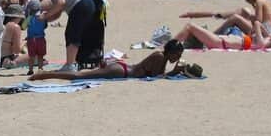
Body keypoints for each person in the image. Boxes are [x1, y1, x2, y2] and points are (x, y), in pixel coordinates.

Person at [31, 0, 101, 72]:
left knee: (72, 34)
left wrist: (45, 15)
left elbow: (61, 3)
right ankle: (72, 63)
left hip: (80, 5)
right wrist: (45, 19)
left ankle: (70, 65)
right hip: (88, 4)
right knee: (75, 34)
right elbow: (58, 13)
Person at [29, 41, 190, 80]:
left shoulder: (162, 58)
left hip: (123, 69)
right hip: (121, 71)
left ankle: (45, 74)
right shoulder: (159, 56)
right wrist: (174, 72)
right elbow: (155, 77)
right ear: (171, 52)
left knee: (82, 75)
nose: (178, 58)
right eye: (177, 54)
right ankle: (44, 75)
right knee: (80, 76)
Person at [170, 21, 271, 50]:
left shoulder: (262, 43)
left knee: (190, 26)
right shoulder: (261, 42)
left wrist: (266, 34)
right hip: (219, 40)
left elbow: (256, 23)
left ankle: (170, 45)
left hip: (219, 42)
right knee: (192, 29)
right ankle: (172, 44)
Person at [24, 0, 46, 75]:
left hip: (31, 39)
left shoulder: (29, 18)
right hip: (41, 38)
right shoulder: (42, 17)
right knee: (40, 55)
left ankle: (30, 69)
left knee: (31, 56)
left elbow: (23, 27)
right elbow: (45, 26)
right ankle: (40, 68)